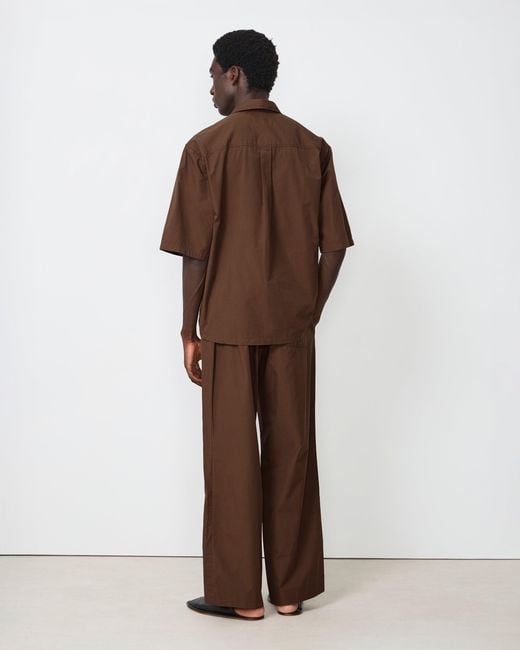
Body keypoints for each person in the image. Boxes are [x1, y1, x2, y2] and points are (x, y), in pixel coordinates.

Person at [159, 29, 354, 621]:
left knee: (231, 457)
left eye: (213, 75)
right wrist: (309, 310)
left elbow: (195, 253)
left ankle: (240, 596)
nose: (210, 88)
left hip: (226, 325)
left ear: (235, 75)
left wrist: (188, 329)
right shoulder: (311, 147)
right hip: (291, 327)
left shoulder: (204, 148)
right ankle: (290, 591)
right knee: (292, 452)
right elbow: (335, 247)